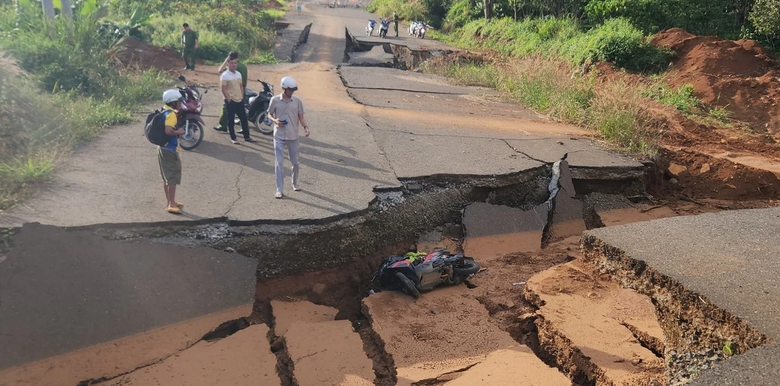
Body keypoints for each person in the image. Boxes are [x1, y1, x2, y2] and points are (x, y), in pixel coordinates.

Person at [267, 76, 310, 199]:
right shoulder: (274, 100)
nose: (292, 92)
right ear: (284, 88)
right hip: (279, 135)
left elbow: (301, 116)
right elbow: (269, 114)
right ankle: (279, 189)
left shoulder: (297, 101)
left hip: (293, 135)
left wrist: (306, 127)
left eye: (293, 90)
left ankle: (294, 183)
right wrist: (275, 121)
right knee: (279, 163)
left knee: (295, 162)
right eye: (290, 90)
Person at [160, 89, 186, 214]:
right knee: (172, 177)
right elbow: (168, 131)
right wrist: (179, 132)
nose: (180, 104)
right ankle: (171, 204)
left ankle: (171, 201)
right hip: (170, 149)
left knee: (167, 177)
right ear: (173, 102)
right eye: (179, 101)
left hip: (163, 147)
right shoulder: (171, 115)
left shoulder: (164, 110)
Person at [220, 56, 256, 144]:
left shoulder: (238, 74)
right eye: (231, 63)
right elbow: (223, 89)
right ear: (228, 64)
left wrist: (242, 97)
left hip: (239, 100)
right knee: (231, 120)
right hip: (231, 101)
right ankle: (233, 138)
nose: (234, 65)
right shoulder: (225, 75)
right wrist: (229, 100)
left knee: (243, 119)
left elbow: (241, 86)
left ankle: (247, 136)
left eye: (235, 63)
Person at [214, 51, 248, 133]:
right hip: (241, 90)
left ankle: (223, 125)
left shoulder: (231, 67)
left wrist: (225, 62)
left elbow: (220, 71)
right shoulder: (243, 67)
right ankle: (244, 129)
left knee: (226, 108)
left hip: (231, 92)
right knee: (241, 111)